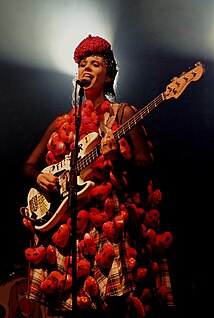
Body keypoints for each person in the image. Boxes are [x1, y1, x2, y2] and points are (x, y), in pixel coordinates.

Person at [20, 35, 175, 317]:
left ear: (108, 76)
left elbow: (145, 166)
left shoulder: (122, 114)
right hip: (69, 223)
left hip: (109, 221)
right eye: (82, 64)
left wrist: (115, 157)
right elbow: (29, 166)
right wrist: (39, 178)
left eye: (95, 63)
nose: (86, 68)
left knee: (113, 307)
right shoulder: (63, 122)